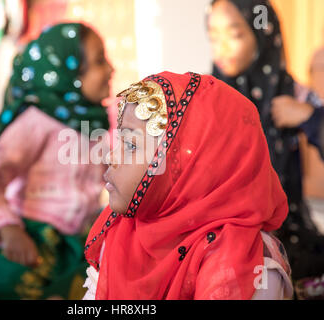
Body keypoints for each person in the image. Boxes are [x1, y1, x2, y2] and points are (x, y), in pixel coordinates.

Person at [83, 71, 293, 300]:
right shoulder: (121, 236)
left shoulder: (245, 264)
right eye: (119, 141)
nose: (112, 157)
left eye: (131, 146)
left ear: (188, 168)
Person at [0, 22, 114, 300]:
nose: (110, 69)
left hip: (80, 241)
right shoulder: (35, 122)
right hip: (28, 235)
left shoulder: (101, 123)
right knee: (5, 283)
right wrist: (7, 228)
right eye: (99, 61)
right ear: (67, 71)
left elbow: (121, 172)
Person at [206, 0, 324, 287]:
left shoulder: (293, 93)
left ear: (263, 33)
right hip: (219, 236)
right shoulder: (206, 97)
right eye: (213, 36)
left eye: (234, 35)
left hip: (287, 233)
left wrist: (310, 117)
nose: (221, 47)